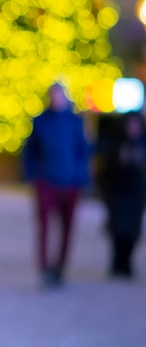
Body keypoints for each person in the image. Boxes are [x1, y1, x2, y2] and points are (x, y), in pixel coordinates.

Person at [23, 83, 90, 289]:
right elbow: (30, 152)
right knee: (44, 226)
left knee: (67, 228)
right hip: (46, 181)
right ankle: (45, 268)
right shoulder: (41, 121)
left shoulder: (75, 122)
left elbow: (82, 151)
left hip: (70, 182)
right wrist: (34, 175)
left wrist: (80, 177)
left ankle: (60, 268)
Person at [96, 111, 146, 280]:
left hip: (136, 193)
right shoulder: (115, 143)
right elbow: (104, 167)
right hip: (118, 192)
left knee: (132, 230)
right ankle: (117, 262)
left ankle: (127, 262)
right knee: (117, 229)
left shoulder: (142, 144)